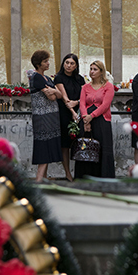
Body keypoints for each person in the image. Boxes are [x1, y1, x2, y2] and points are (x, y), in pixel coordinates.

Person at [28, 50, 63, 182]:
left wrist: (54, 91)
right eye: (45, 61)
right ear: (38, 63)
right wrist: (55, 92)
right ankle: (38, 179)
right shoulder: (36, 77)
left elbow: (57, 95)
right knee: (43, 146)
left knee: (49, 145)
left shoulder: (47, 78)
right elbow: (53, 97)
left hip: (51, 117)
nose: (48, 63)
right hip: (42, 117)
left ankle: (44, 177)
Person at [77, 60, 115, 178]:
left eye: (95, 69)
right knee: (85, 148)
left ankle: (104, 177)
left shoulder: (108, 86)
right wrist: (85, 119)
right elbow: (82, 104)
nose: (92, 72)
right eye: (91, 69)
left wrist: (91, 116)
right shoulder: (85, 87)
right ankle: (85, 177)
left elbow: (105, 105)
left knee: (103, 149)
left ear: (101, 72)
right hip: (86, 120)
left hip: (102, 120)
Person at [54, 53, 85, 182]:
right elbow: (65, 97)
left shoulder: (80, 79)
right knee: (65, 145)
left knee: (80, 143)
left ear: (76, 66)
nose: (69, 65)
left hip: (80, 112)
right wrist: (73, 112)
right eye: (67, 62)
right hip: (65, 114)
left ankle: (80, 172)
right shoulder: (58, 77)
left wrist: (77, 103)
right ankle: (68, 173)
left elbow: (84, 97)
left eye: (72, 63)